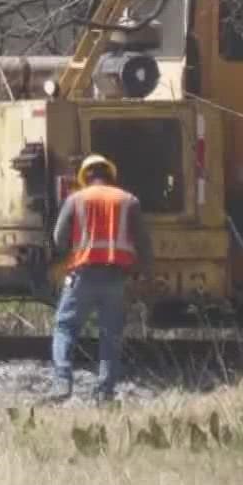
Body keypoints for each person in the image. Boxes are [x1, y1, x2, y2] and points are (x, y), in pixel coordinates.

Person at [49, 153, 153, 400]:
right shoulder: (129, 200)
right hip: (116, 277)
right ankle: (104, 391)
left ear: (85, 177)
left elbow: (58, 238)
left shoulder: (75, 199)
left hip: (82, 275)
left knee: (65, 327)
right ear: (111, 176)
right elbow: (144, 243)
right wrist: (144, 272)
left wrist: (68, 251)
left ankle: (63, 382)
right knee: (111, 334)